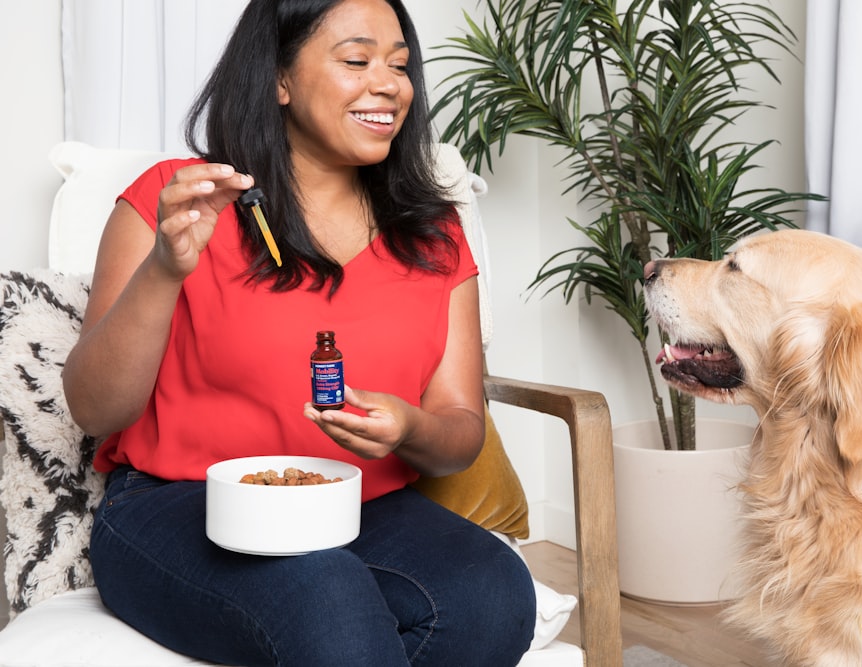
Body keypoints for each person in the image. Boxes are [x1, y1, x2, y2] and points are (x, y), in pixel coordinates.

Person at [61, 0, 536, 664]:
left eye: (399, 65)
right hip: (177, 505)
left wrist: (409, 428)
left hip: (355, 501)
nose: (389, 83)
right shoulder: (177, 199)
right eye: (356, 60)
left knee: (494, 595)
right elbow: (94, 408)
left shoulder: (434, 231)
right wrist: (166, 269)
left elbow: (459, 429)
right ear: (280, 78)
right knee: (326, 593)